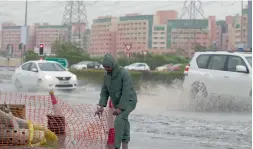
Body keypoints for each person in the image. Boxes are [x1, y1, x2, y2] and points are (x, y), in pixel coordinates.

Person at [95, 53, 137, 149]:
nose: (107, 69)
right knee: (124, 121)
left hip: (129, 101)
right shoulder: (106, 76)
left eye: (108, 67)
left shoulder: (124, 73)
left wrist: (120, 108)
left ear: (113, 64)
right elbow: (104, 92)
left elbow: (126, 92)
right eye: (105, 67)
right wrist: (101, 107)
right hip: (117, 103)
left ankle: (116, 146)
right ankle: (125, 145)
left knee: (119, 120)